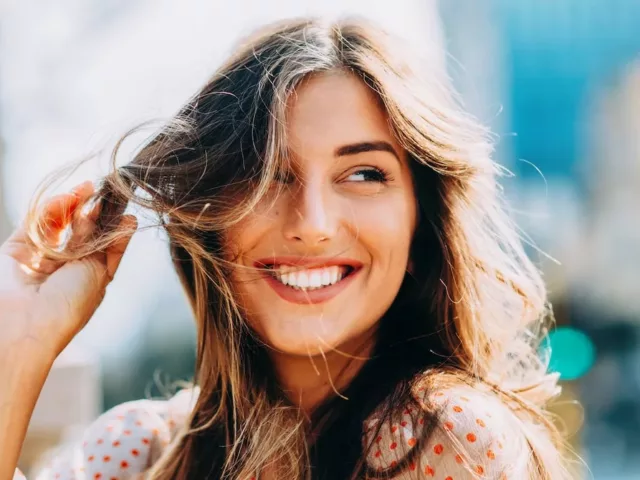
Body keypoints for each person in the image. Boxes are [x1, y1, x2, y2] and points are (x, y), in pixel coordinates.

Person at [1, 16, 573, 480]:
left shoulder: (446, 439)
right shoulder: (134, 453)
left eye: (363, 174)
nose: (313, 224)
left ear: (419, 227)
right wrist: (22, 338)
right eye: (270, 174)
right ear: (211, 220)